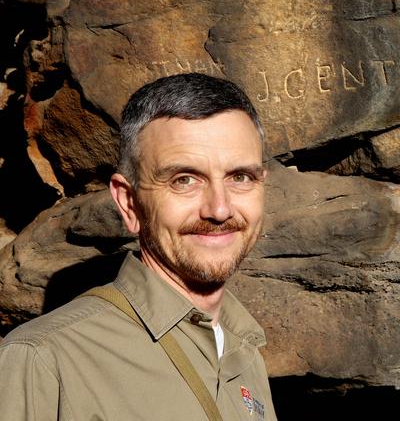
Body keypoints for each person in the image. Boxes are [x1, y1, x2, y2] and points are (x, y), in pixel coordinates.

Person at [0, 73, 277, 420]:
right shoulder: (43, 359)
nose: (219, 209)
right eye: (184, 180)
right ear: (129, 203)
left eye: (240, 177)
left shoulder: (246, 354)